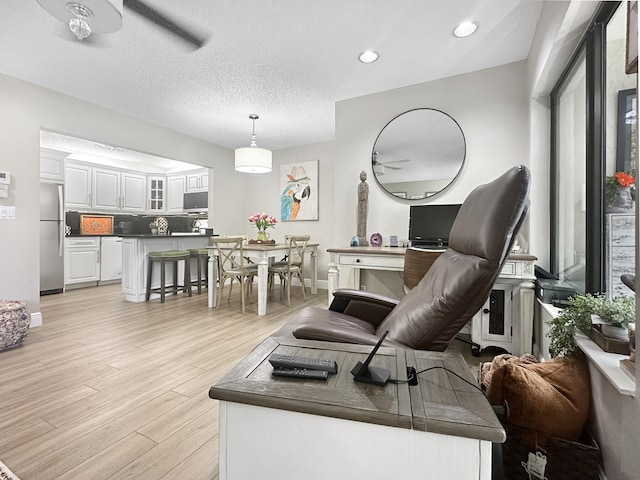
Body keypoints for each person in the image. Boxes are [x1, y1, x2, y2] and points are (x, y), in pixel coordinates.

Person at [357, 170, 369, 245]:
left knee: (364, 220)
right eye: (362, 175)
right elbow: (359, 194)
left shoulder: (367, 185)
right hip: (360, 204)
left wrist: (364, 196)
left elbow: (367, 193)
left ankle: (363, 237)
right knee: (360, 220)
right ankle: (360, 237)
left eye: (364, 175)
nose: (363, 177)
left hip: (365, 203)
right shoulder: (359, 185)